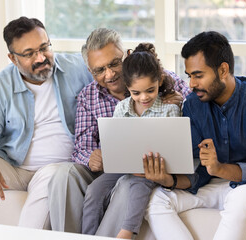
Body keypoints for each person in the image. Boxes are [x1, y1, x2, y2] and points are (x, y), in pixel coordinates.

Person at [144, 31, 246, 240]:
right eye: (189, 76)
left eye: (198, 75)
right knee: (156, 199)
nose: (191, 84)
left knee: (241, 197)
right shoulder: (193, 105)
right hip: (217, 186)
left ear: (223, 70)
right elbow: (200, 171)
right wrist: (169, 180)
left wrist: (222, 169)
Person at [0, 16, 94, 229]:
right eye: (29, 54)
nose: (41, 57)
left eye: (44, 47)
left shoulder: (78, 68)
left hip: (60, 166)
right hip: (15, 167)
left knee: (53, 178)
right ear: (13, 58)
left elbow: (118, 77)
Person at [47, 28, 191, 235]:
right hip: (111, 167)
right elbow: (82, 146)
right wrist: (92, 157)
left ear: (126, 55)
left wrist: (181, 101)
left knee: (128, 184)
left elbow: (196, 117)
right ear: (91, 72)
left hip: (153, 167)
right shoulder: (89, 97)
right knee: (65, 175)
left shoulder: (159, 78)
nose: (110, 74)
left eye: (114, 63)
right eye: (100, 70)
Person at [82, 43, 181, 239]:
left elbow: (174, 148)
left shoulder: (170, 109)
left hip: (153, 168)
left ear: (159, 82)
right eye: (136, 93)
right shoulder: (121, 109)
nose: (143, 97)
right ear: (128, 88)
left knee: (139, 184)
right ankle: (87, 236)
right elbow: (117, 146)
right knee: (94, 190)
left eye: (150, 91)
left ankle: (127, 231)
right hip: (126, 166)